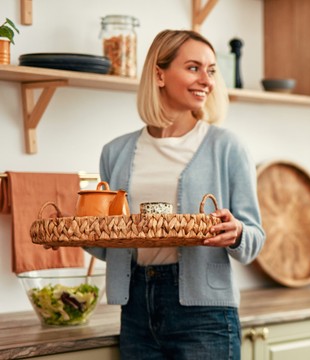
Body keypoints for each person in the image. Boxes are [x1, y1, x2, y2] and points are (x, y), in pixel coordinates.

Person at [83, 30, 265, 359]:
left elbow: (254, 238)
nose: (206, 80)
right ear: (159, 74)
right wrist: (76, 232)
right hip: (135, 309)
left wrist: (236, 232)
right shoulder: (116, 152)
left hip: (205, 315)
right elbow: (114, 244)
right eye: (194, 68)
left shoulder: (226, 147)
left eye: (211, 70)